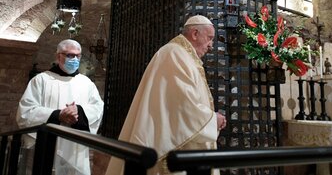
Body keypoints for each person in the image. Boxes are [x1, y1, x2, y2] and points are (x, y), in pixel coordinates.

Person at [106, 15, 227, 175]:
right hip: (173, 150)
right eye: (209, 38)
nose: (211, 45)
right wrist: (212, 120)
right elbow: (182, 106)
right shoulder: (175, 54)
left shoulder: (182, 55)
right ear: (195, 33)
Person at [16, 39, 104, 175]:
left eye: (78, 55)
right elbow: (26, 111)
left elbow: (98, 108)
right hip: (46, 145)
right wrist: (58, 115)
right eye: (69, 55)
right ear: (58, 56)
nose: (74, 59)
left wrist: (79, 111)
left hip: (76, 148)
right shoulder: (41, 80)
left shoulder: (86, 83)